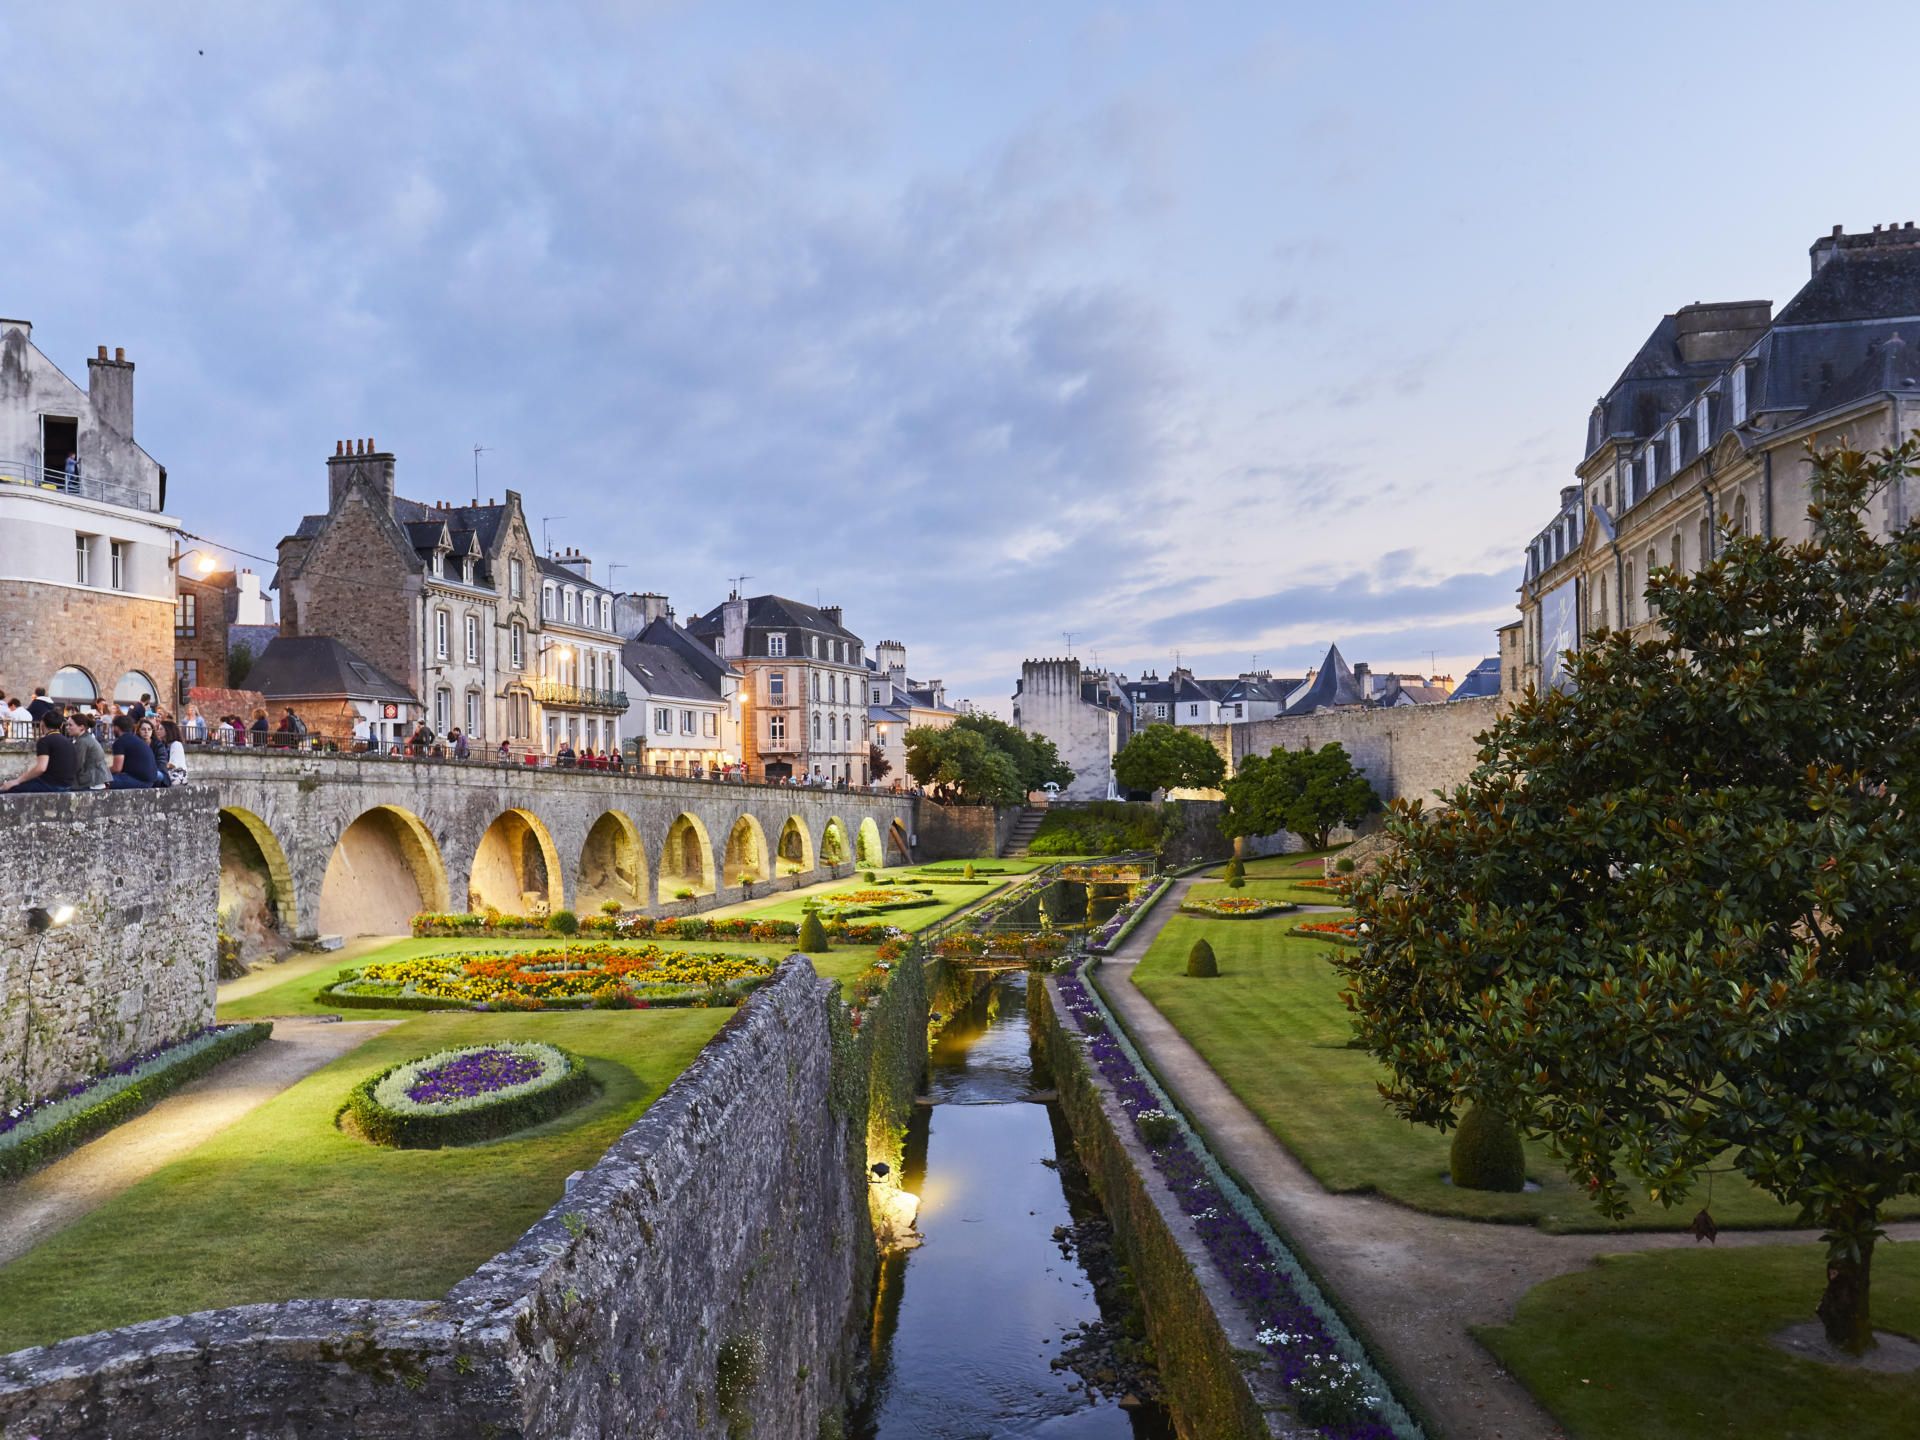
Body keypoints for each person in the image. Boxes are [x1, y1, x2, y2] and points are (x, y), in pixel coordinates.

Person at [2, 710, 77, 792]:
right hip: (67, 786)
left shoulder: (44, 741)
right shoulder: (68, 742)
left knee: (9, 789)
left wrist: (17, 781)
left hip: (51, 785)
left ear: (42, 723)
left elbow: (41, 768)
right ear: (61, 725)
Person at [109, 713, 160, 788]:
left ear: (116, 727)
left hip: (138, 781)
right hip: (150, 781)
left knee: (99, 781)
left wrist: (102, 771)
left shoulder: (120, 742)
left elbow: (117, 768)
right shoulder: (138, 740)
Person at [65, 711, 111, 790]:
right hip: (98, 781)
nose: (67, 727)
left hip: (92, 783)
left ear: (82, 727)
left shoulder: (82, 741)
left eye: (70, 725)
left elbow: (77, 765)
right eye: (67, 725)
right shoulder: (87, 738)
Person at [159, 719, 189, 784]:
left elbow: (172, 765)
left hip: (178, 775)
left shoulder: (176, 744)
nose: (158, 731)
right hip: (169, 773)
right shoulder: (164, 745)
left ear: (168, 730)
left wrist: (159, 765)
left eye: (161, 729)